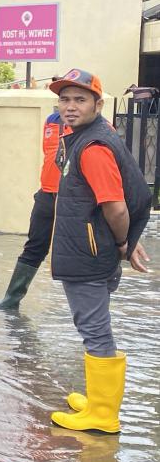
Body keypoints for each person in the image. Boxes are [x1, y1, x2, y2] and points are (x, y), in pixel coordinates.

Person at [46, 69, 150, 434]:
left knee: (94, 328)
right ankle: (97, 400)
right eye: (65, 99)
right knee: (92, 324)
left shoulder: (92, 149)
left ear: (97, 103)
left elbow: (117, 207)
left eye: (80, 100)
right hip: (92, 247)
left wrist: (124, 243)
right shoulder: (88, 136)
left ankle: (103, 415)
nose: (70, 107)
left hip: (89, 252)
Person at [0, 112, 69, 309]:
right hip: (47, 193)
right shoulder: (51, 121)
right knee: (35, 245)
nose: (69, 104)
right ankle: (12, 297)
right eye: (63, 97)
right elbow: (48, 154)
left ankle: (91, 301)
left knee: (80, 248)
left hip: (73, 197)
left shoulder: (98, 127)